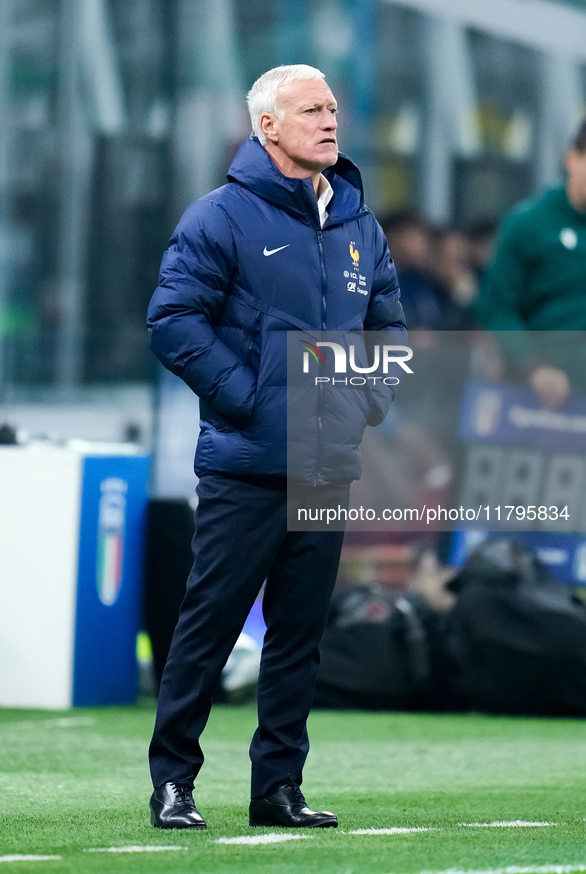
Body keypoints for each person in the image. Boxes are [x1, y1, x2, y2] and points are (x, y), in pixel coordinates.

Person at [146, 64, 406, 830]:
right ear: (268, 126)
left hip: (328, 466)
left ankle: (277, 789)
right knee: (209, 624)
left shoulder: (360, 223)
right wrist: (251, 398)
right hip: (247, 464)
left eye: (332, 108)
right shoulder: (219, 216)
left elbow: (387, 325)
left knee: (298, 636)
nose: (329, 120)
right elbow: (172, 320)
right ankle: (174, 782)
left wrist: (367, 397)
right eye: (311, 109)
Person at [475, 118, 586, 408]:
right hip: (537, 400)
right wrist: (533, 366)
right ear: (572, 159)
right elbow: (497, 308)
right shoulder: (528, 224)